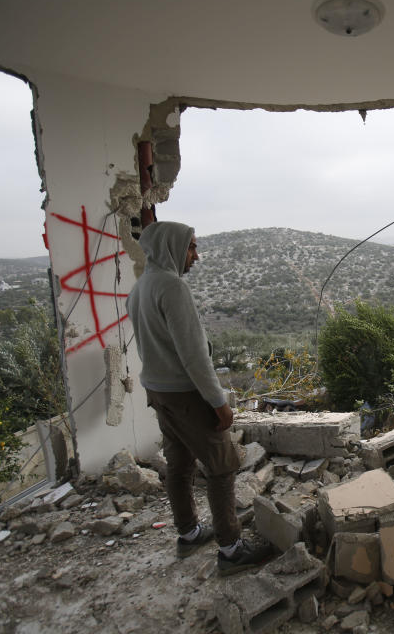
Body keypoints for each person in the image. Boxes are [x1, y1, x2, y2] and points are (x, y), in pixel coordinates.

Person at [126, 221, 266, 575]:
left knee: (179, 463)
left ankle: (188, 533)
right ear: (172, 247)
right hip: (186, 394)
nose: (197, 256)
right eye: (191, 247)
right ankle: (232, 549)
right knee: (222, 465)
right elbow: (194, 357)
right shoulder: (172, 288)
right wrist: (218, 402)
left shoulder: (140, 287)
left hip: (158, 391)